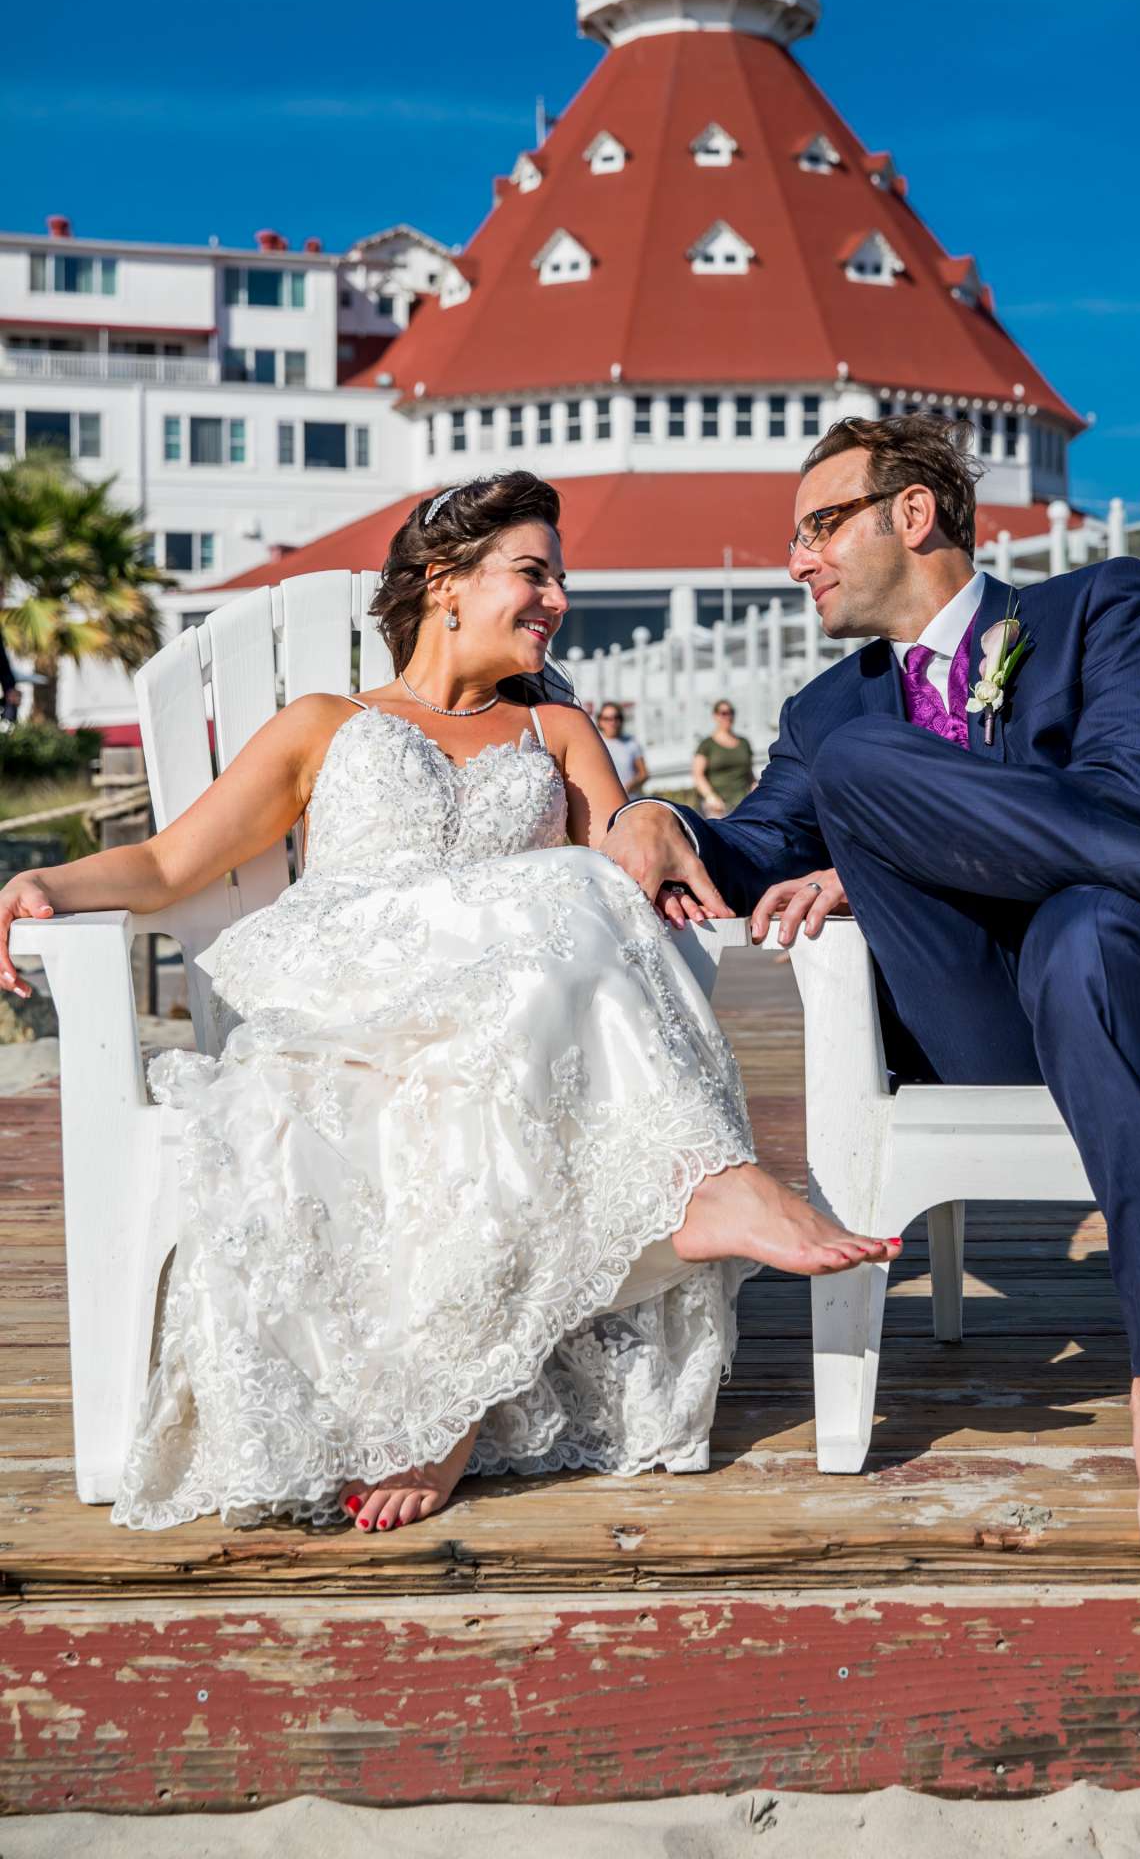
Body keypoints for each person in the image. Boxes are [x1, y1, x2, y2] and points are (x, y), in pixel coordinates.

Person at [0, 472, 897, 1536]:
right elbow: (163, 864)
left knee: (578, 889)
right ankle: (697, 1193)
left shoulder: (556, 733)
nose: (557, 597)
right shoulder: (323, 725)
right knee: (562, 888)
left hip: (509, 1036)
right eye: (533, 572)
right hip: (356, 1007)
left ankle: (470, 1384)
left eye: (559, 576)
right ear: (446, 583)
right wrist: (43, 885)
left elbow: (625, 875)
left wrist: (651, 819)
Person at [601, 416, 1140, 1611]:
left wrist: (895, 845)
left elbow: (1137, 795)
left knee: (1085, 927)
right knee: (867, 770)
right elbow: (757, 846)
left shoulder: (1099, 612)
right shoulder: (831, 716)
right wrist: (661, 817)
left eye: (818, 526)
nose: (796, 560)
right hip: (980, 1020)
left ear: (910, 515)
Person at [692, 700, 756, 818]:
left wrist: (756, 789)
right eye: (723, 713)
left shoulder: (744, 743)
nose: (728, 716)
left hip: (744, 803)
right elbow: (698, 775)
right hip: (717, 806)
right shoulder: (706, 745)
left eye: (731, 712)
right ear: (715, 716)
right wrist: (710, 797)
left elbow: (750, 774)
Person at [596, 701, 648, 796]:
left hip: (630, 802)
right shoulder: (596, 744)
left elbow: (643, 774)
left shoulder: (631, 743)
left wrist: (628, 787)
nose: (612, 722)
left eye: (616, 718)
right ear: (600, 721)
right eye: (607, 719)